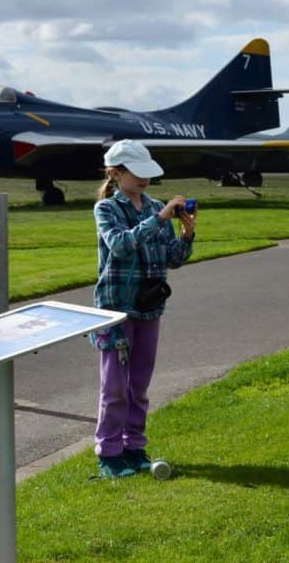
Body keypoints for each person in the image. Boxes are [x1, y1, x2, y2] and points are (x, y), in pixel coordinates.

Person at [91, 139, 196, 478]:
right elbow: (120, 246)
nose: (144, 180)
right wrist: (160, 219)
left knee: (140, 383)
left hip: (149, 308)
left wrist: (186, 235)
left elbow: (174, 259)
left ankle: (134, 447)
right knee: (115, 386)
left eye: (147, 173)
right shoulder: (107, 210)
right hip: (116, 309)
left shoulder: (154, 207)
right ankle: (109, 453)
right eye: (136, 173)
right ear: (115, 173)